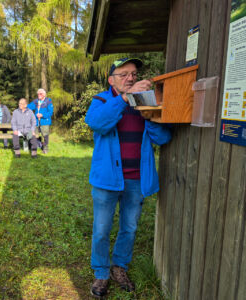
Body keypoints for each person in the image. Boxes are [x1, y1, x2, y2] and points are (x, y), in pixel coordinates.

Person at [85, 58, 172, 298]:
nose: (130, 78)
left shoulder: (145, 101)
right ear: (111, 79)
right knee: (102, 230)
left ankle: (119, 268)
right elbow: (96, 123)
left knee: (130, 228)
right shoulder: (101, 100)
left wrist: (148, 115)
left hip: (136, 179)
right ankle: (101, 273)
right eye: (123, 74)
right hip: (107, 180)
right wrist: (124, 99)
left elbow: (162, 137)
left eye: (133, 74)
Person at [28, 89, 53, 154]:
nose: (39, 95)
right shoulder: (36, 101)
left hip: (45, 121)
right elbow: (29, 107)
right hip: (36, 121)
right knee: (34, 135)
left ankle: (45, 149)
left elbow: (50, 112)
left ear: (44, 94)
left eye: (40, 94)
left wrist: (42, 115)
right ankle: (35, 148)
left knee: (45, 136)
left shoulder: (48, 101)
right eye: (38, 94)